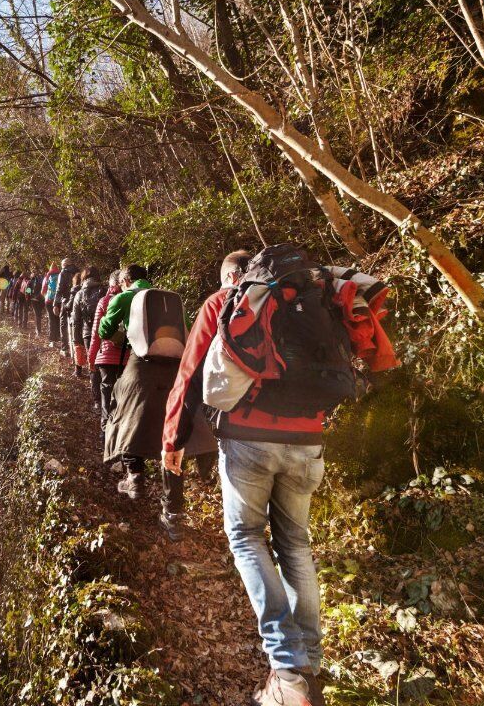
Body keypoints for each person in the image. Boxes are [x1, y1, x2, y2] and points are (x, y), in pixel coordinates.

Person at [162, 248, 399, 706]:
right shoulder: (316, 295)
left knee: (246, 537)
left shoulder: (226, 301)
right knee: (296, 544)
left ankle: (286, 669)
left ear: (235, 275)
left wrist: (172, 438)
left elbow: (190, 372)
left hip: (249, 437)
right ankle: (309, 666)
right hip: (309, 438)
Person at [99, 265, 215, 531]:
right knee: (172, 435)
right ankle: (173, 512)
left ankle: (135, 477)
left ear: (126, 280)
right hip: (175, 367)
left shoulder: (124, 296)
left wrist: (127, 340)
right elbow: (186, 334)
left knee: (125, 416)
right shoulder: (168, 297)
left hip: (141, 365)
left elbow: (105, 330)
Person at [88, 270, 124, 439]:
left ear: (110, 284)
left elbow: (96, 333)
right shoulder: (134, 301)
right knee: (123, 397)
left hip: (106, 357)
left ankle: (105, 434)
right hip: (128, 358)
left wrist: (91, 358)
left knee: (107, 395)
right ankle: (121, 435)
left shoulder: (104, 301)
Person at [73, 266, 107, 398]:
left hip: (87, 333)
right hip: (104, 331)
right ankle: (107, 399)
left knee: (92, 363)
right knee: (105, 363)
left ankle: (97, 400)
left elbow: (76, 320)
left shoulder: (79, 294)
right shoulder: (104, 290)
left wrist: (77, 340)